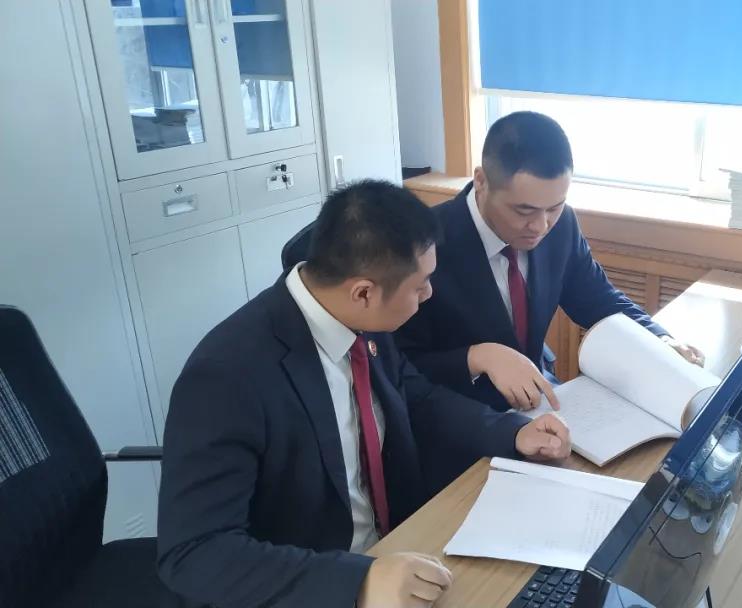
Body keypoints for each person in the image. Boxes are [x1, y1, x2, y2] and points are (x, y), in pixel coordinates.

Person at [157, 180, 571, 608]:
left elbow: (415, 396)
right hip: (317, 584)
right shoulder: (226, 376)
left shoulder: (359, 319)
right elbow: (193, 553)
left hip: (403, 549)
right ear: (363, 292)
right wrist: (357, 582)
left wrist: (510, 432)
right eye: (420, 286)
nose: (429, 294)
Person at [395, 111, 705, 416]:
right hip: (460, 416)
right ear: (481, 181)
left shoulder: (562, 224)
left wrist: (659, 340)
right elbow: (399, 366)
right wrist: (475, 358)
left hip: (542, 400)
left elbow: (597, 298)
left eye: (554, 207)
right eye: (524, 211)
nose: (541, 226)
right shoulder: (424, 245)